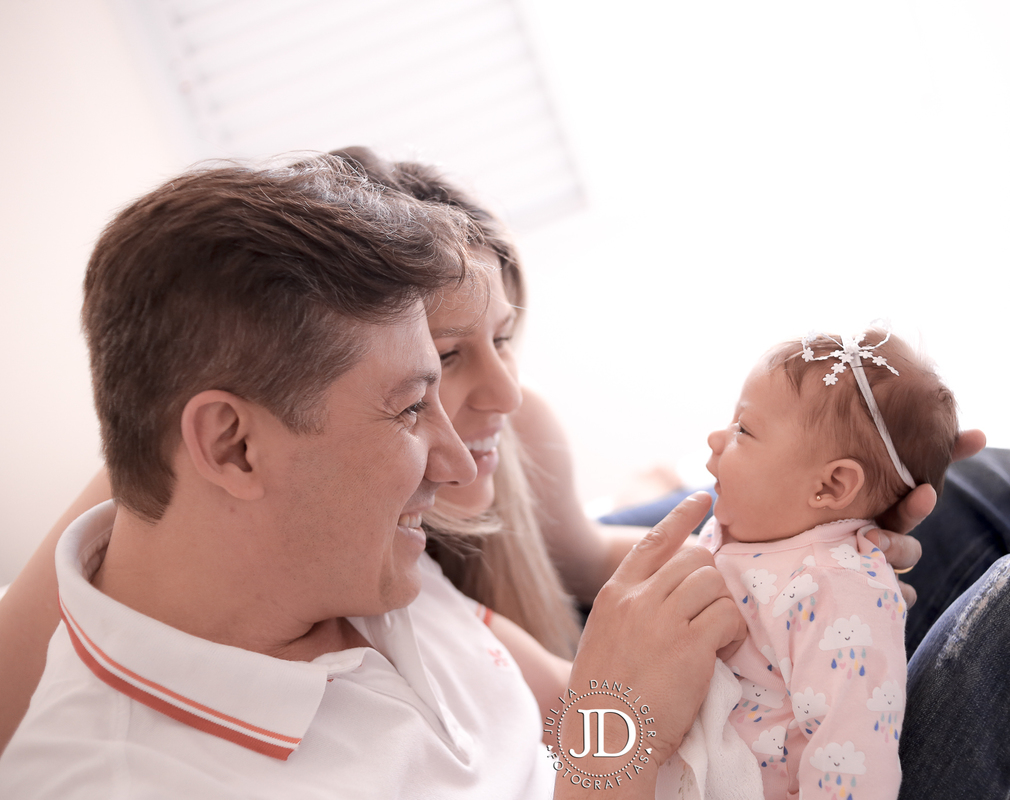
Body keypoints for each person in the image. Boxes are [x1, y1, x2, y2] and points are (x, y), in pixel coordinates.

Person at [0, 155, 746, 799]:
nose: (455, 463)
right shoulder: (119, 780)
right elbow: (604, 735)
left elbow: (571, 713)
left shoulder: (358, 558)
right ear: (234, 447)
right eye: (412, 407)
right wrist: (620, 736)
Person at [686, 330, 956, 799]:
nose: (716, 437)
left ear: (830, 486)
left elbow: (855, 753)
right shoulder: (742, 526)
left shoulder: (835, 590)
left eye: (743, 430)